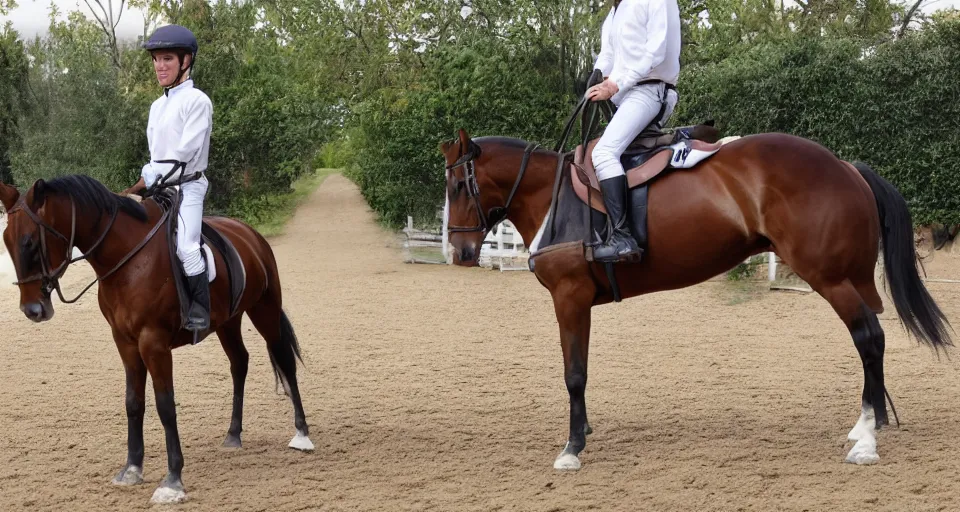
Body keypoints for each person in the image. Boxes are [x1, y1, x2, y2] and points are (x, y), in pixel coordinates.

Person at [122, 24, 213, 337]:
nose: (160, 66)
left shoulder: (197, 102)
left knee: (187, 248)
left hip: (188, 186)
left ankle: (200, 310)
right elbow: (155, 157)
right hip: (160, 187)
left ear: (186, 61)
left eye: (168, 59)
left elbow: (183, 155)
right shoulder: (156, 107)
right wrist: (137, 186)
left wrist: (147, 181)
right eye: (157, 59)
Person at [585, 0, 681, 262]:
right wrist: (597, 75)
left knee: (604, 153)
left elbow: (655, 53)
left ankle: (622, 237)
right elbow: (608, 55)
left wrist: (615, 84)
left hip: (649, 91)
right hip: (626, 96)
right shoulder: (614, 13)